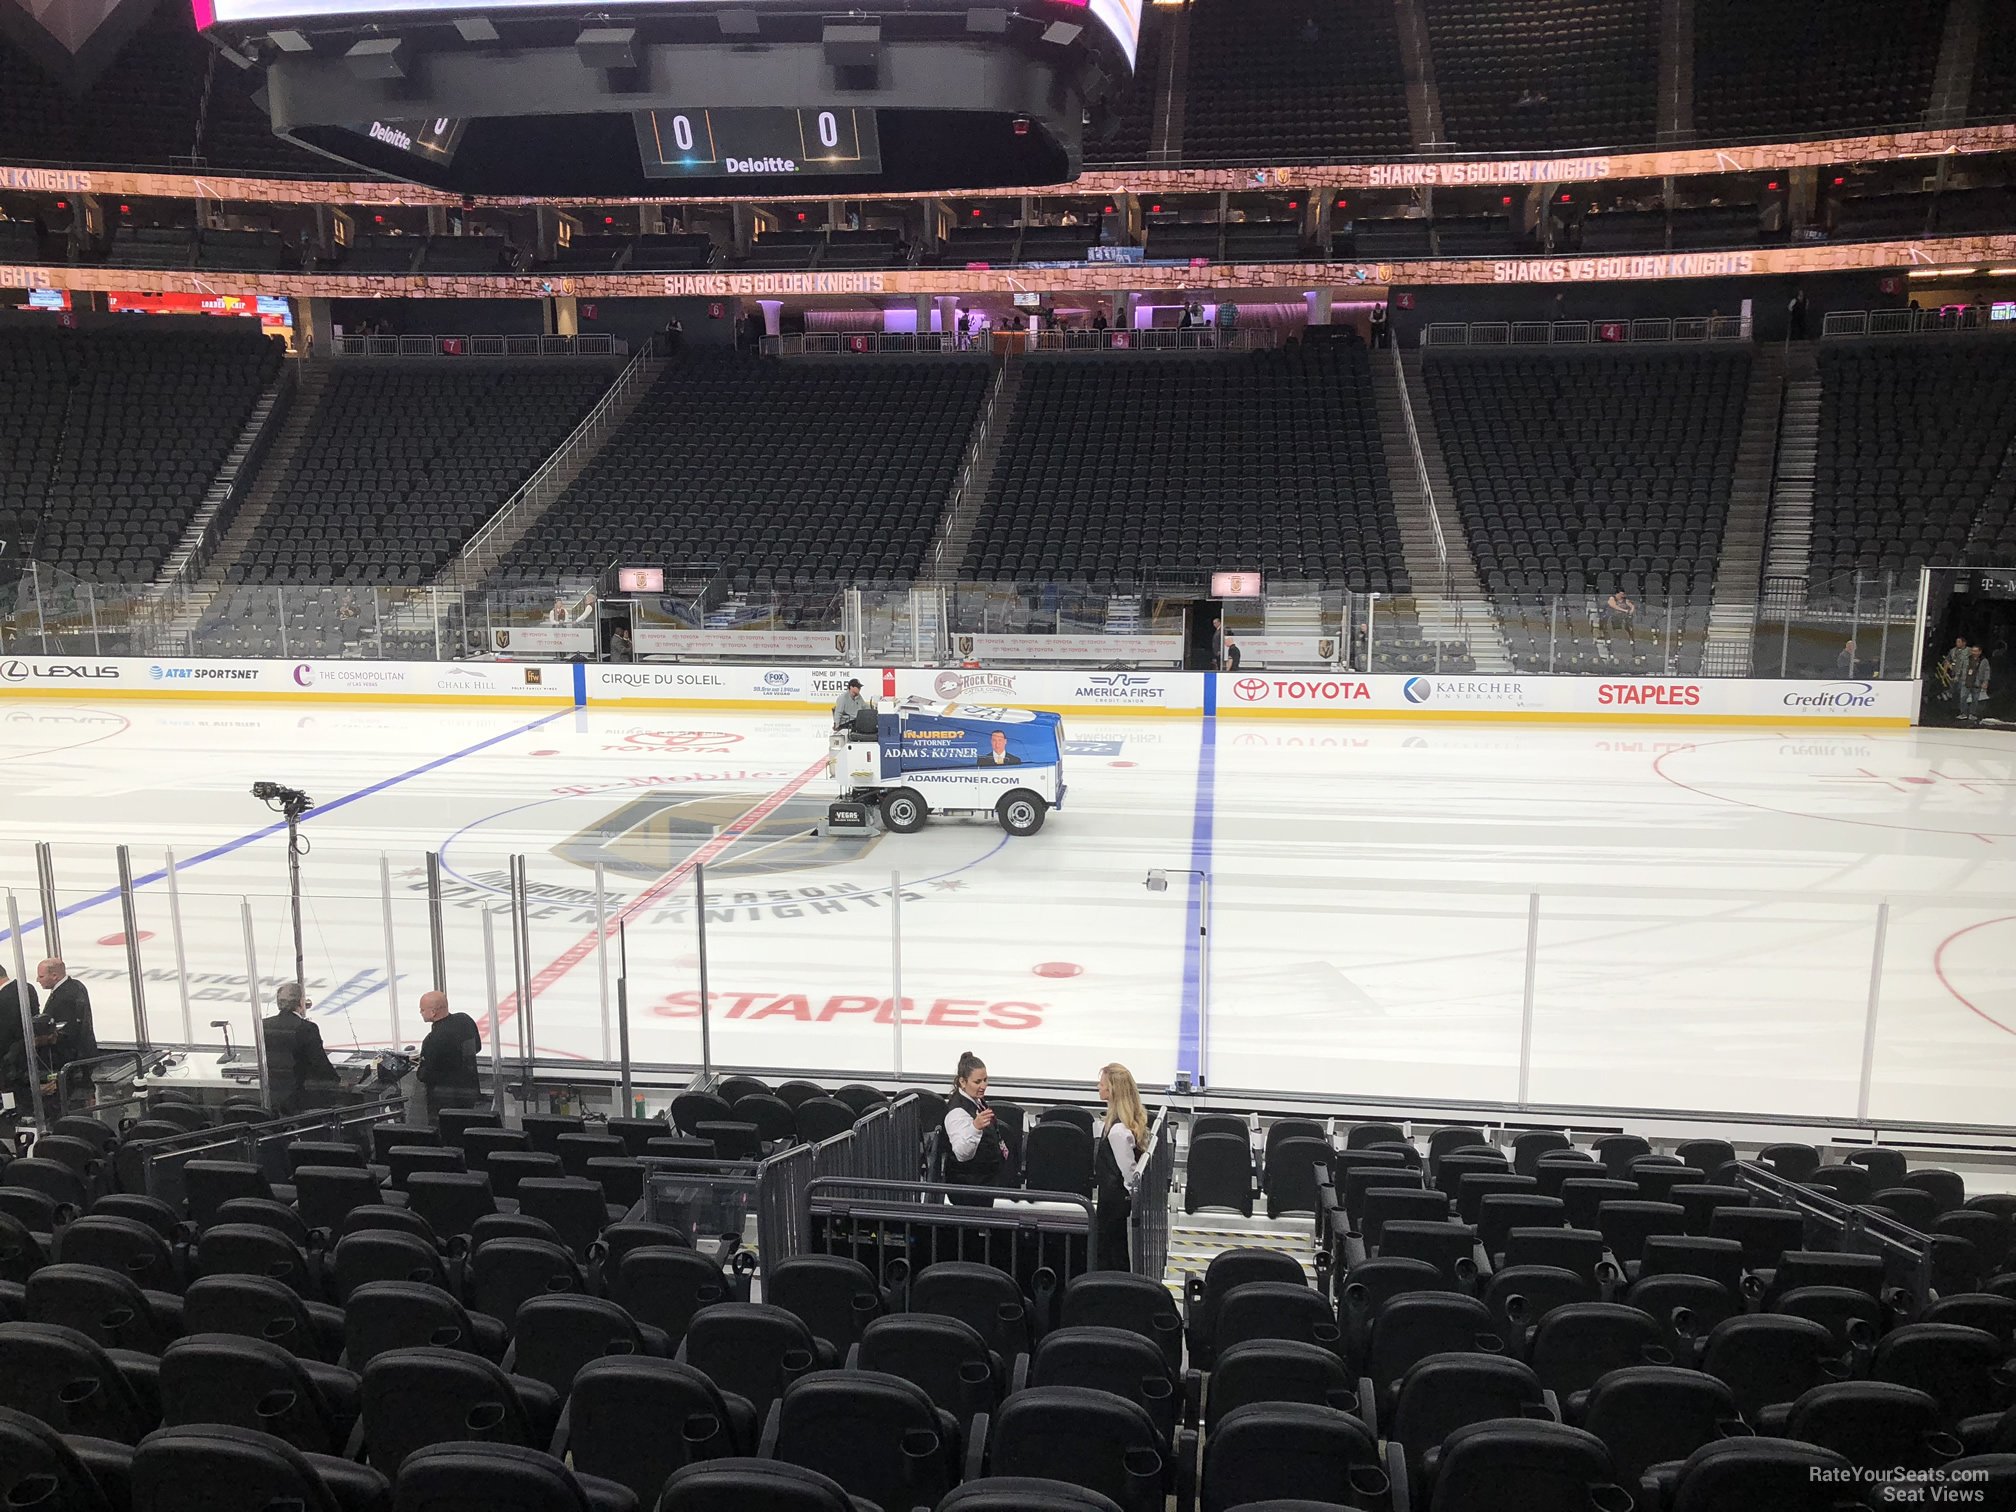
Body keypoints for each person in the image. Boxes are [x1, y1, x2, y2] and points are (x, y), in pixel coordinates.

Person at [1095, 1063, 1148, 1271]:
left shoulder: (1118, 1131)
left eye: (1101, 1084)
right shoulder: (1119, 1125)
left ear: (1112, 1090)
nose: (1098, 1087)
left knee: (1112, 1256)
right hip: (1114, 1202)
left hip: (1114, 1205)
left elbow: (1129, 1175)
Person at [941, 1051, 1010, 1207]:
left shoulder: (976, 1101)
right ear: (963, 1082)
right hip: (968, 1189)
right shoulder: (957, 1112)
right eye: (977, 1081)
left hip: (982, 1184)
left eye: (985, 1080)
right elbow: (962, 1153)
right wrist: (975, 1128)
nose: (983, 1086)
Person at [263, 981, 339, 1114]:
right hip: (300, 1099)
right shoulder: (307, 1028)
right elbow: (319, 1064)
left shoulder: (264, 1025)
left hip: (274, 1097)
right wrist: (337, 1080)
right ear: (301, 1003)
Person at [416, 989, 484, 1121]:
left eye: (422, 1009)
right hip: (469, 1093)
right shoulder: (465, 1020)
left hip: (445, 1102)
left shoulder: (432, 1040)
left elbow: (425, 1075)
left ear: (433, 1012)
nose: (420, 1012)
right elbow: (477, 1047)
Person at [36, 958, 94, 1073]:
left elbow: (66, 1031)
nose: (38, 980)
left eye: (41, 977)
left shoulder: (64, 997)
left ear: (54, 976)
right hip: (81, 1056)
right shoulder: (76, 985)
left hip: (70, 1061)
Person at [0, 963, 38, 1107]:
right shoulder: (26, 987)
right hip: (28, 1056)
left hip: (9, 1062)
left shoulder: (3, 999)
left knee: (11, 1101)